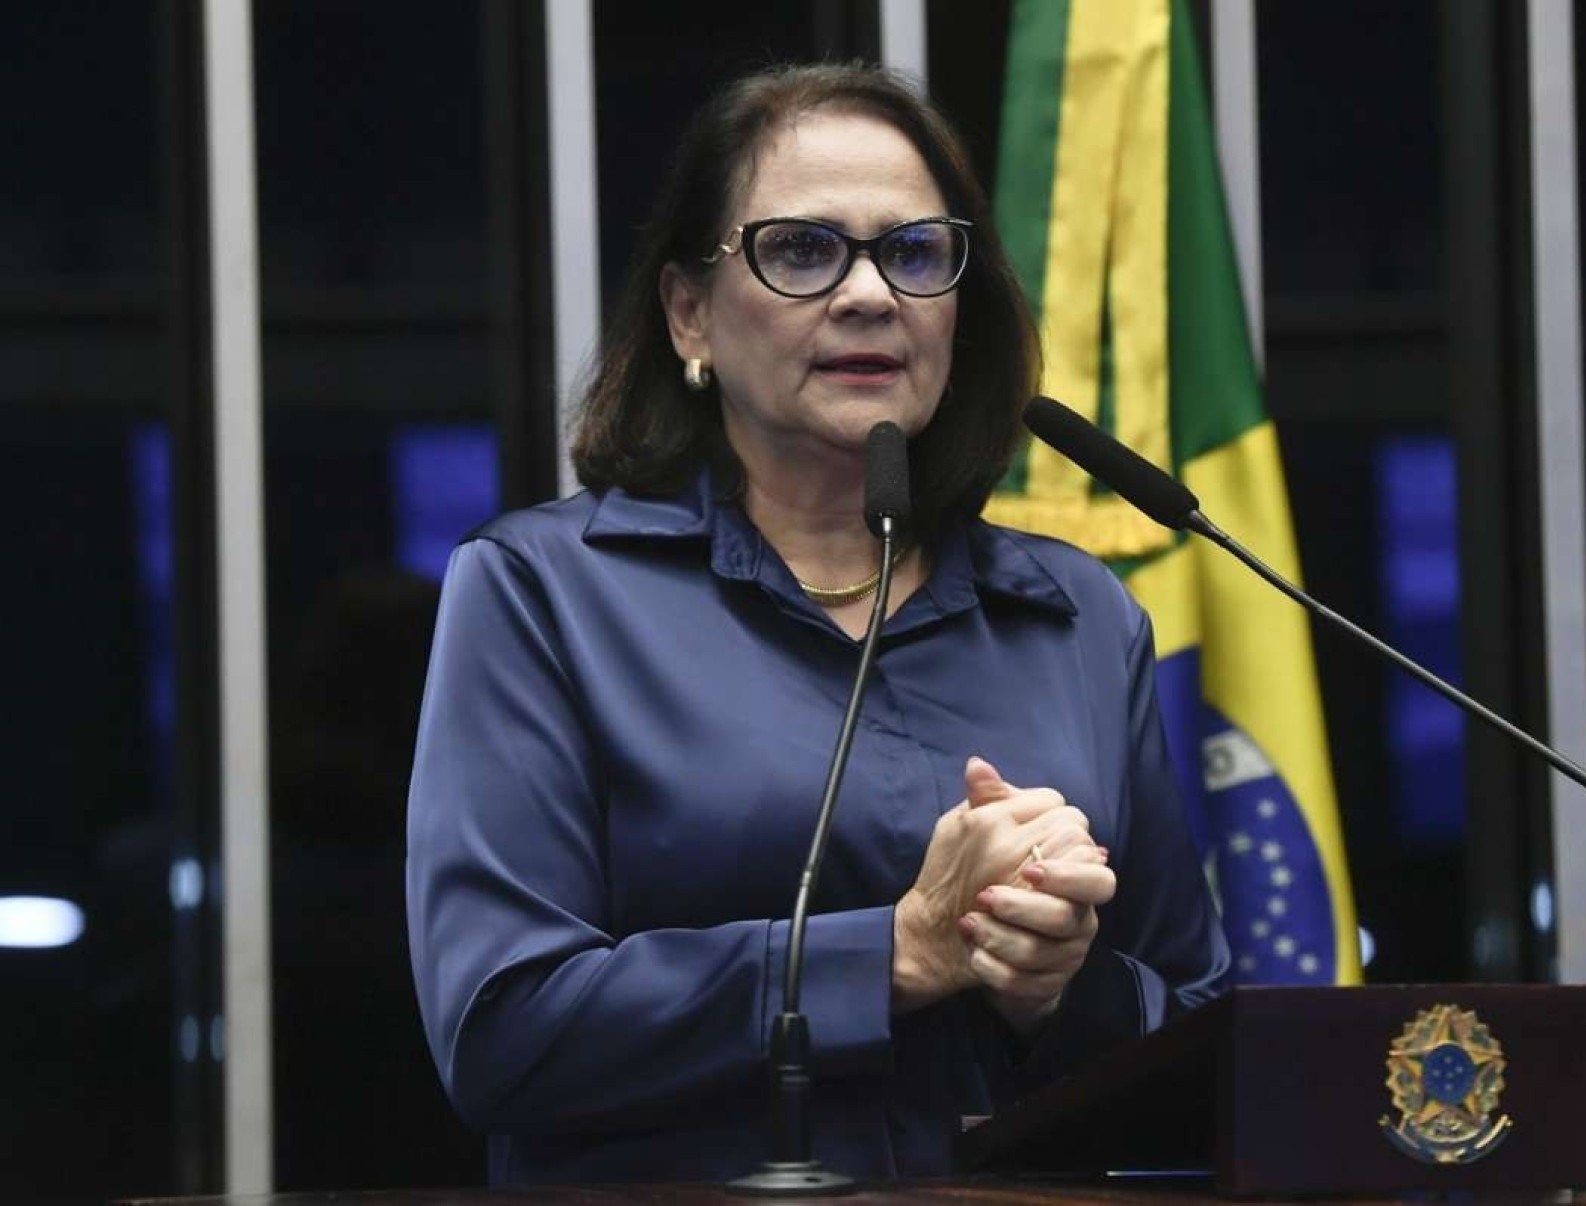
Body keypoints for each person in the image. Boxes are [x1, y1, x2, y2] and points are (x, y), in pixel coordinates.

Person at [405, 62, 1229, 1186]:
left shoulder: (1077, 617)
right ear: (689, 312)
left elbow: (1204, 1052)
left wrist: (1057, 988)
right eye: (800, 250)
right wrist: (892, 955)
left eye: (916, 252)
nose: (869, 295)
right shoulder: (545, 593)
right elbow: (501, 1031)